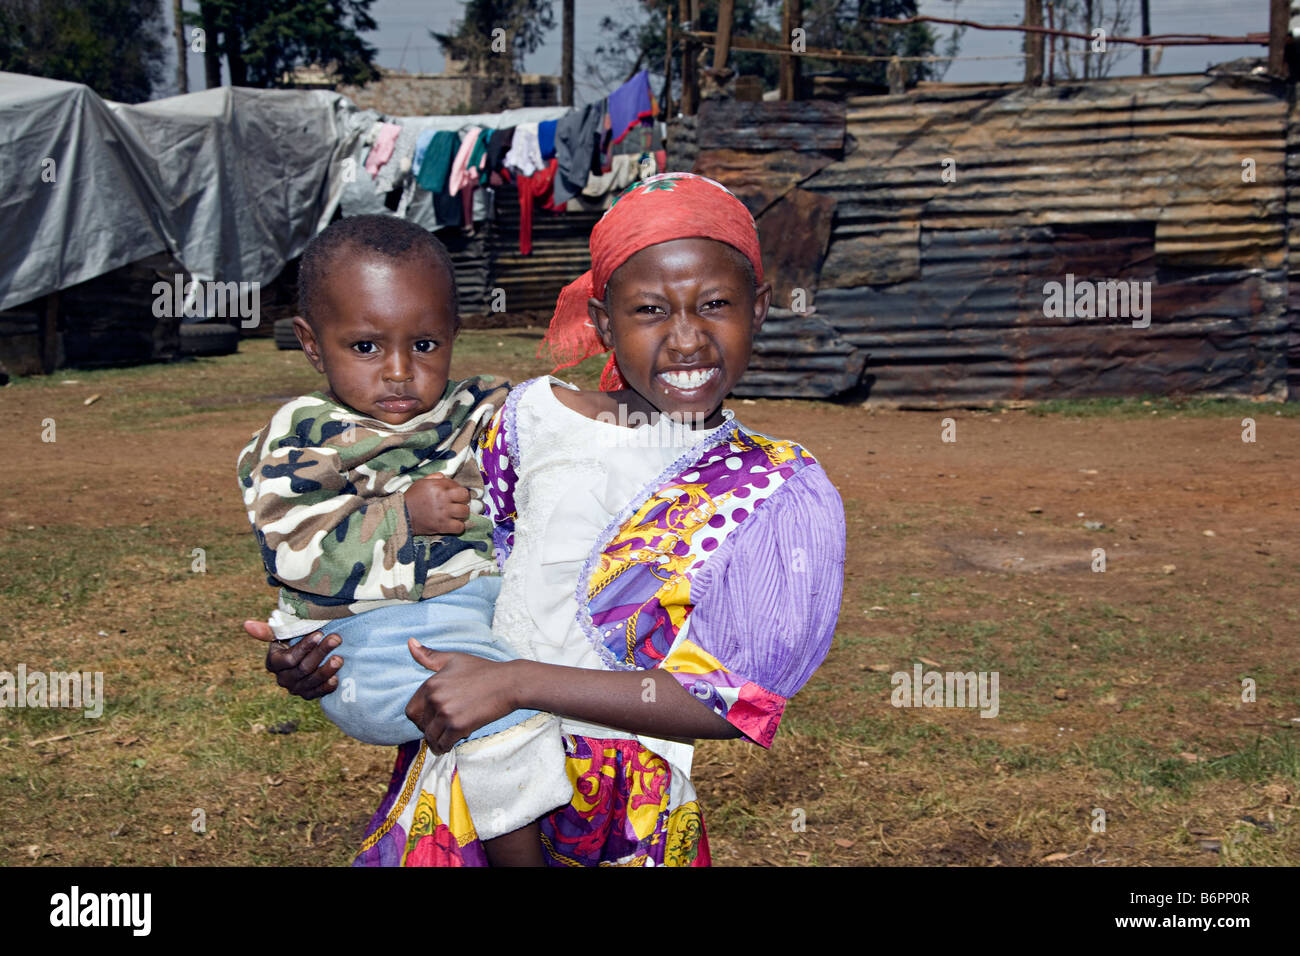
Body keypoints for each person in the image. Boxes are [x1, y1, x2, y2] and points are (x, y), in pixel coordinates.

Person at [251, 173, 847, 866]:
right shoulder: (525, 422)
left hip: (627, 811)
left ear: (761, 307)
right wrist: (326, 639)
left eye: (715, 304)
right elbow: (438, 567)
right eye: (650, 309)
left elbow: (731, 702)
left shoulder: (777, 492)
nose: (687, 340)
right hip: (462, 783)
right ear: (600, 320)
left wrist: (515, 682)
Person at [235, 214, 571, 867]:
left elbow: (551, 452)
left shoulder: (474, 410)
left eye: (424, 345)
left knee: (565, 685)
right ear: (311, 343)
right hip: (368, 642)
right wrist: (400, 518)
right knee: (505, 713)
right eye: (365, 347)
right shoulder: (303, 436)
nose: (398, 372)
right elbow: (292, 548)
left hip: (471, 611)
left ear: (453, 335)